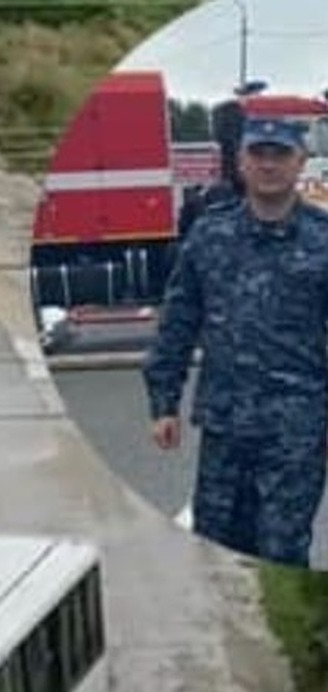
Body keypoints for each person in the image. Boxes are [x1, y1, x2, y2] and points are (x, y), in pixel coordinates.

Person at [143, 116, 328, 568]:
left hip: (297, 432)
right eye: (258, 154)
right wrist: (164, 402)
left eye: (280, 154)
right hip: (225, 426)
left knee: (282, 551)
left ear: (300, 162)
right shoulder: (210, 234)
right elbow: (179, 321)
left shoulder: (323, 240)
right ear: (241, 162)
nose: (268, 165)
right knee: (216, 549)